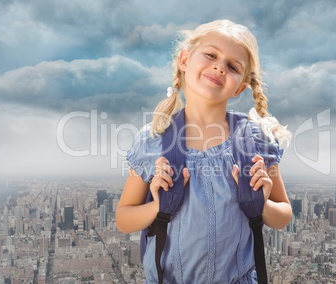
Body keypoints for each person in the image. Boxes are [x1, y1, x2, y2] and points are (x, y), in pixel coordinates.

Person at [116, 19, 292, 283]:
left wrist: (263, 203)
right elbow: (124, 218)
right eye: (211, 55)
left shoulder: (255, 141)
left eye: (232, 66)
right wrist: (156, 207)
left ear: (240, 87)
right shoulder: (153, 141)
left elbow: (283, 215)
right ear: (185, 60)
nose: (219, 67)